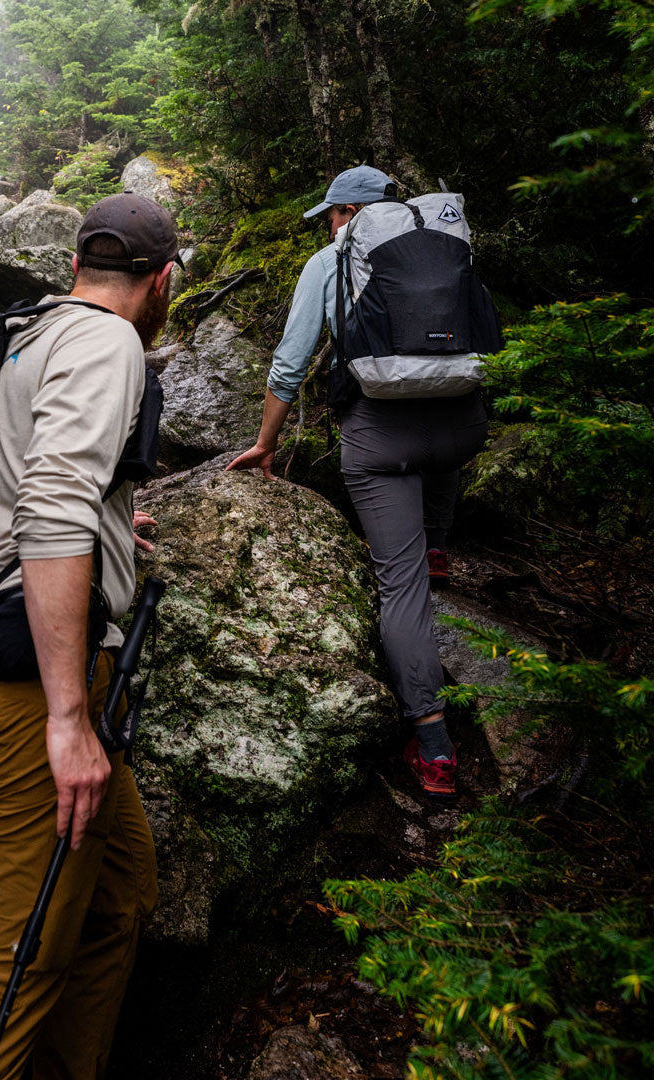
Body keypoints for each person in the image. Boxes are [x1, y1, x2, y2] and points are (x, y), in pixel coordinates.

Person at [0, 192, 179, 1080]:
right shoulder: (109, 342)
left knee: (118, 897)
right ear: (163, 281)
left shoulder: (30, 330)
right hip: (28, 690)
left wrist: (107, 523)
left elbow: (31, 476)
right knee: (7, 967)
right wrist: (69, 717)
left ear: (75, 267)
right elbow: (52, 504)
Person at [228, 165, 488, 800]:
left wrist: (266, 443)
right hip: (463, 427)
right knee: (441, 426)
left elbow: (290, 364)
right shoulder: (446, 240)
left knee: (400, 589)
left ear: (346, 213)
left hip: (381, 438)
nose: (333, 225)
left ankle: (433, 745)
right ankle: (439, 543)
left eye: (333, 214)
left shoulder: (331, 260)